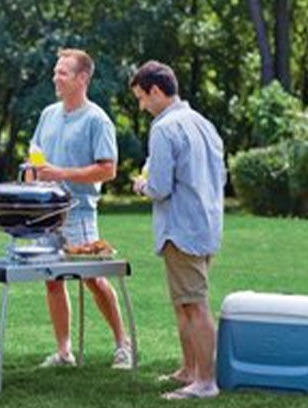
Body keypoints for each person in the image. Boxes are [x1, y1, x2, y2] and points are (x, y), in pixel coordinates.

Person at [30, 48, 132, 369]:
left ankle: (123, 345)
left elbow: (107, 170)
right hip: (45, 213)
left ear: (82, 78)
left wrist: (59, 173)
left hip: (79, 212)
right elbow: (35, 157)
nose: (55, 77)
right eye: (56, 71)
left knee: (93, 278)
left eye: (62, 72)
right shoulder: (47, 114)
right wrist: (33, 180)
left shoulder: (97, 120)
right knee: (52, 280)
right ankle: (64, 353)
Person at [130, 60, 225, 399]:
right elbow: (220, 177)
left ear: (156, 91)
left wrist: (141, 185)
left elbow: (159, 187)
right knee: (184, 302)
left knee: (195, 304)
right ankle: (189, 370)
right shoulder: (203, 123)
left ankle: (205, 381)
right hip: (206, 225)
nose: (141, 106)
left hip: (180, 229)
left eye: (142, 97)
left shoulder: (164, 127)